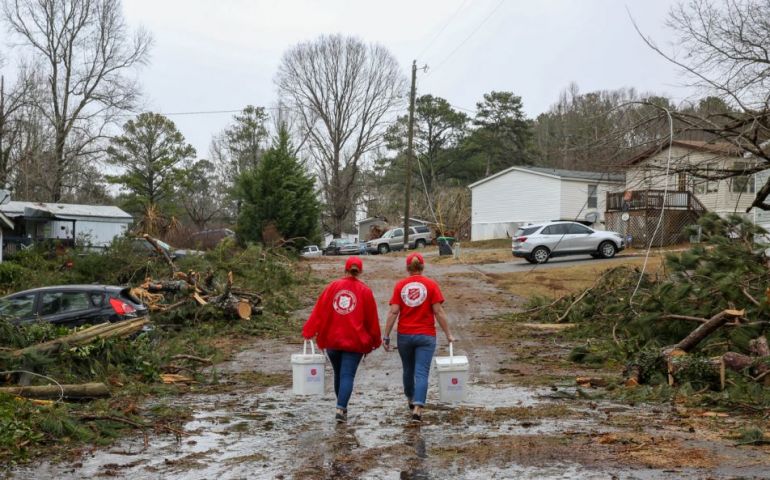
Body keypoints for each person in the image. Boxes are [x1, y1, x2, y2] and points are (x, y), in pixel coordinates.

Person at [302, 256, 381, 423]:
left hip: (332, 339)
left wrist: (309, 330)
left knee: (339, 374)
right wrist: (375, 340)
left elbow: (319, 311)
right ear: (360, 271)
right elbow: (372, 319)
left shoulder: (332, 287)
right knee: (347, 375)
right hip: (355, 341)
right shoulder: (365, 291)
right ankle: (340, 408)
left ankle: (341, 406)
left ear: (345, 269)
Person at [383, 252, 455, 423]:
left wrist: (386, 335)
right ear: (423, 267)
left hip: (405, 335)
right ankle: (418, 408)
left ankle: (410, 398)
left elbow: (394, 312)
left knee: (408, 370)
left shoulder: (400, 285)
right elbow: (438, 311)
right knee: (421, 372)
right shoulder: (431, 285)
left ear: (407, 268)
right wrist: (448, 334)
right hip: (426, 335)